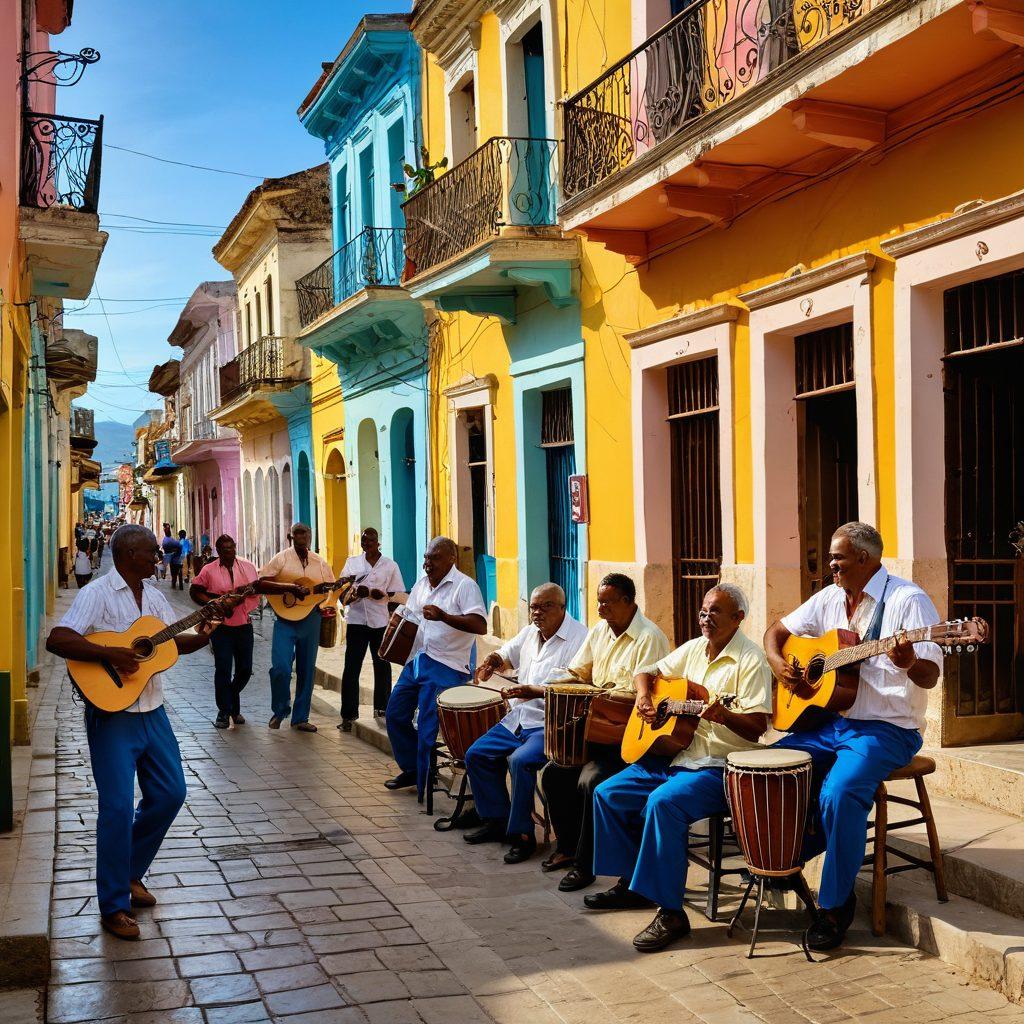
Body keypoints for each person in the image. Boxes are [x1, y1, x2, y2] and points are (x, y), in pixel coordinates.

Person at [764, 521, 943, 952]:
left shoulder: (908, 600)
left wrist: (906, 662)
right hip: (832, 724)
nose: (830, 566)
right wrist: (776, 663)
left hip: (887, 729)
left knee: (840, 792)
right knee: (770, 769)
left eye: (837, 558)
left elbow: (931, 674)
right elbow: (776, 633)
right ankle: (786, 858)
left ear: (864, 559)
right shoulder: (829, 597)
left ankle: (835, 905)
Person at [45, 524, 222, 940]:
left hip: (153, 711)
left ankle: (129, 872)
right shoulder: (98, 594)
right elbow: (59, 638)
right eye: (149, 553)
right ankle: (113, 905)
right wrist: (109, 653)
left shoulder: (156, 597)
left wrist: (205, 632)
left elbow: (169, 647)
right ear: (127, 554)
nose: (156, 558)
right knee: (118, 807)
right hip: (112, 715)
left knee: (171, 794)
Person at [587, 584, 773, 952]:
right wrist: (644, 696)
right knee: (607, 793)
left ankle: (672, 912)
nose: (706, 618)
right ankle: (633, 884)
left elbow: (757, 727)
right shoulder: (693, 650)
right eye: (703, 611)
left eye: (716, 612)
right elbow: (647, 671)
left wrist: (726, 715)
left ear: (739, 618)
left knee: (663, 804)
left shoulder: (751, 661)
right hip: (676, 756)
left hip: (718, 766)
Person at [540, 573, 669, 892]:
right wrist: (546, 687)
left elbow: (644, 694)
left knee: (590, 781)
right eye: (598, 601)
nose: (600, 608)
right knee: (554, 775)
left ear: (628, 602)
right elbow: (579, 672)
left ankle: (587, 866)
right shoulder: (599, 631)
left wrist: (601, 695)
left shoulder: (649, 637)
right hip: (595, 729)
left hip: (629, 736)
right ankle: (569, 848)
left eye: (607, 602)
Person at [463, 583, 587, 863]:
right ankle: (497, 821)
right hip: (519, 718)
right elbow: (507, 652)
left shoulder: (579, 638)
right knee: (476, 755)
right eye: (533, 606)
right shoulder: (531, 632)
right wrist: (492, 661)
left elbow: (579, 688)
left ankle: (523, 835)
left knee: (520, 762)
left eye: (545, 606)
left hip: (552, 724)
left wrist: (535, 690)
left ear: (562, 608)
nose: (537, 613)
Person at [384, 536, 486, 798]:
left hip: (448, 664)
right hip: (418, 659)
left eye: (435, 558)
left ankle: (425, 779)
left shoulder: (464, 586)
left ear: (451, 558)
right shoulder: (421, 586)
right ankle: (412, 768)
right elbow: (412, 617)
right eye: (426, 558)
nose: (428, 563)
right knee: (395, 713)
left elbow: (480, 625)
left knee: (428, 727)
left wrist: (444, 617)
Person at [191, 535, 305, 729]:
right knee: (223, 669)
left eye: (232, 547)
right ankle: (224, 711)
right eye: (225, 548)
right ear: (218, 550)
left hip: (244, 624)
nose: (229, 551)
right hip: (221, 627)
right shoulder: (208, 570)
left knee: (245, 670)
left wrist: (287, 588)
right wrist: (212, 603)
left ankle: (231, 697)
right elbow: (195, 590)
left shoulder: (247, 567)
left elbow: (258, 587)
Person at [260, 523, 332, 732]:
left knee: (306, 669)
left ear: (310, 536)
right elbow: (262, 582)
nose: (301, 537)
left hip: (311, 618)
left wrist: (328, 602)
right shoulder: (281, 558)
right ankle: (280, 710)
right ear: (291, 537)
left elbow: (331, 587)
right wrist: (289, 588)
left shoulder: (319, 562)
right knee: (281, 668)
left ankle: (300, 717)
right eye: (297, 534)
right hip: (284, 619)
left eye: (305, 533)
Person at [338, 528, 406, 731]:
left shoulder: (390, 565)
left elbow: (399, 595)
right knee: (351, 667)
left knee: (382, 665)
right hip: (356, 621)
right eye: (365, 541)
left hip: (380, 621)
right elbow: (343, 592)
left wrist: (382, 594)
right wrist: (356, 593)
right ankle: (348, 715)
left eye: (372, 540)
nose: (368, 544)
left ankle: (382, 708)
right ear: (362, 544)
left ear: (379, 542)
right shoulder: (353, 564)